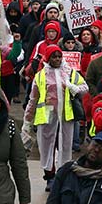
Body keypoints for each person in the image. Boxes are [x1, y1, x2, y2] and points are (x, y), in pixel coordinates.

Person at [23, 45, 88, 190]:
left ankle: (63, 176)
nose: (57, 59)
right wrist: (27, 121)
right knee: (48, 148)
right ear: (48, 58)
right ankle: (50, 177)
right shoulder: (40, 76)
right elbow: (32, 100)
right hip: (47, 118)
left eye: (59, 56)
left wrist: (75, 88)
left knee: (65, 147)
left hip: (65, 117)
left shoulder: (70, 72)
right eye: (54, 56)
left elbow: (85, 87)